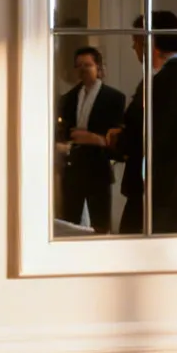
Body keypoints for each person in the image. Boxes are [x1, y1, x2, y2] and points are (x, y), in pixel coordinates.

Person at [110, 12, 177, 235]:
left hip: (153, 195)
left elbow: (143, 139)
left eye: (136, 41)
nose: (134, 48)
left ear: (150, 42)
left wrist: (115, 138)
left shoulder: (156, 85)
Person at [56, 47, 126, 234]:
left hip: (98, 170)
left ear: (98, 67)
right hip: (72, 171)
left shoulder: (114, 98)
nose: (83, 69)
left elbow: (118, 137)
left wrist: (95, 139)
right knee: (69, 224)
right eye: (78, 66)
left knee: (101, 225)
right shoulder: (67, 99)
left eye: (87, 65)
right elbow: (61, 132)